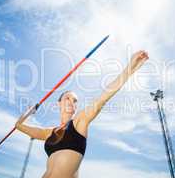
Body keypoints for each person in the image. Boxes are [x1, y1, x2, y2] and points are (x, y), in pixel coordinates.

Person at [15, 50, 149, 178]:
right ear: (59, 103)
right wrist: (29, 112)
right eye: (67, 98)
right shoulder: (50, 133)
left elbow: (105, 96)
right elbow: (19, 126)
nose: (71, 102)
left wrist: (131, 67)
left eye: (75, 101)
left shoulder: (80, 121)